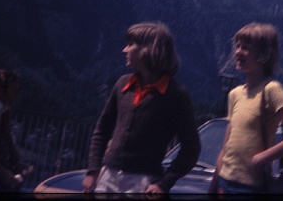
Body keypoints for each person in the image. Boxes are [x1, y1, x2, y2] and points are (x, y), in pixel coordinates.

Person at [83, 22, 200, 195]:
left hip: (144, 182)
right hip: (108, 177)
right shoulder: (123, 84)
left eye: (131, 44)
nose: (124, 50)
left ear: (148, 49)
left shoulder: (176, 95)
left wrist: (163, 183)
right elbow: (102, 130)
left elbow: (191, 148)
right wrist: (93, 171)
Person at [211, 22, 283, 194]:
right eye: (238, 46)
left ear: (264, 55)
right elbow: (226, 146)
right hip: (224, 182)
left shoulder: (272, 89)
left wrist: (262, 158)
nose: (238, 52)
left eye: (246, 48)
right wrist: (213, 185)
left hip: (249, 188)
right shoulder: (235, 94)